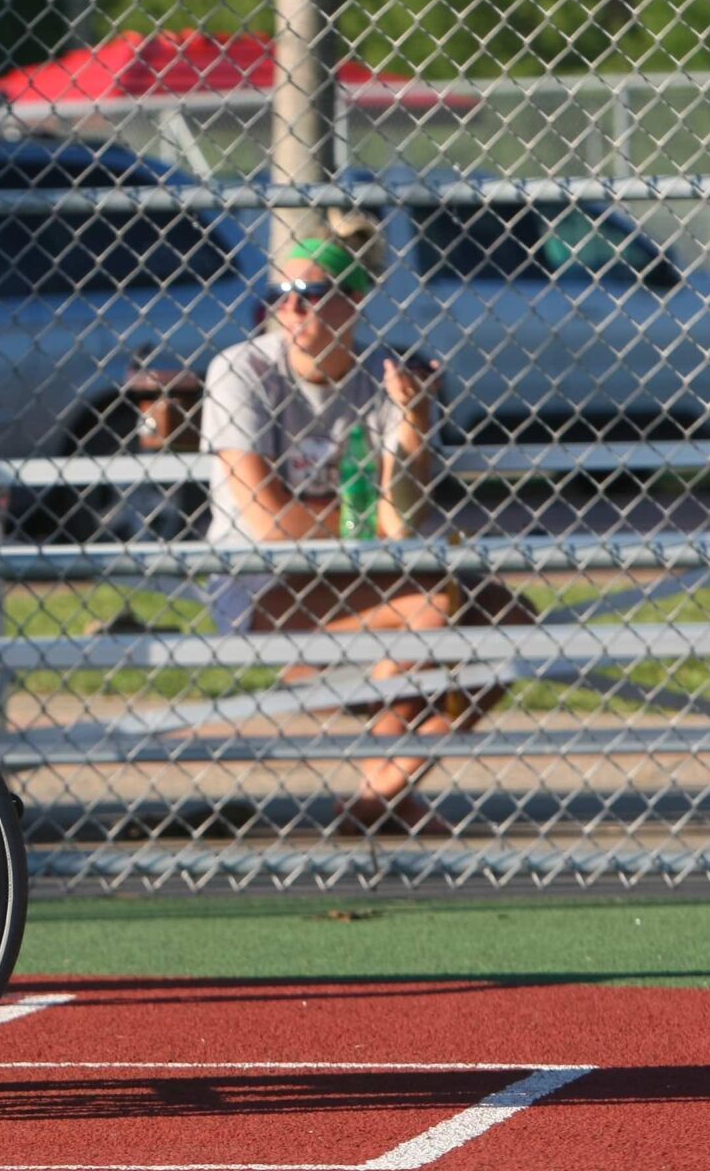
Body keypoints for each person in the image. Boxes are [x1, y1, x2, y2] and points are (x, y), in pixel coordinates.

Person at [201, 223, 535, 837]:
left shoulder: (378, 379)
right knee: (434, 610)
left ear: (354, 302)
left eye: (312, 291)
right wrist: (362, 527)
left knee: (511, 618)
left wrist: (411, 420)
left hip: (367, 581)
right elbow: (270, 521)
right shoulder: (242, 369)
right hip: (261, 588)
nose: (292, 306)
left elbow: (399, 521)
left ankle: (384, 789)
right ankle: (382, 790)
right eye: (282, 292)